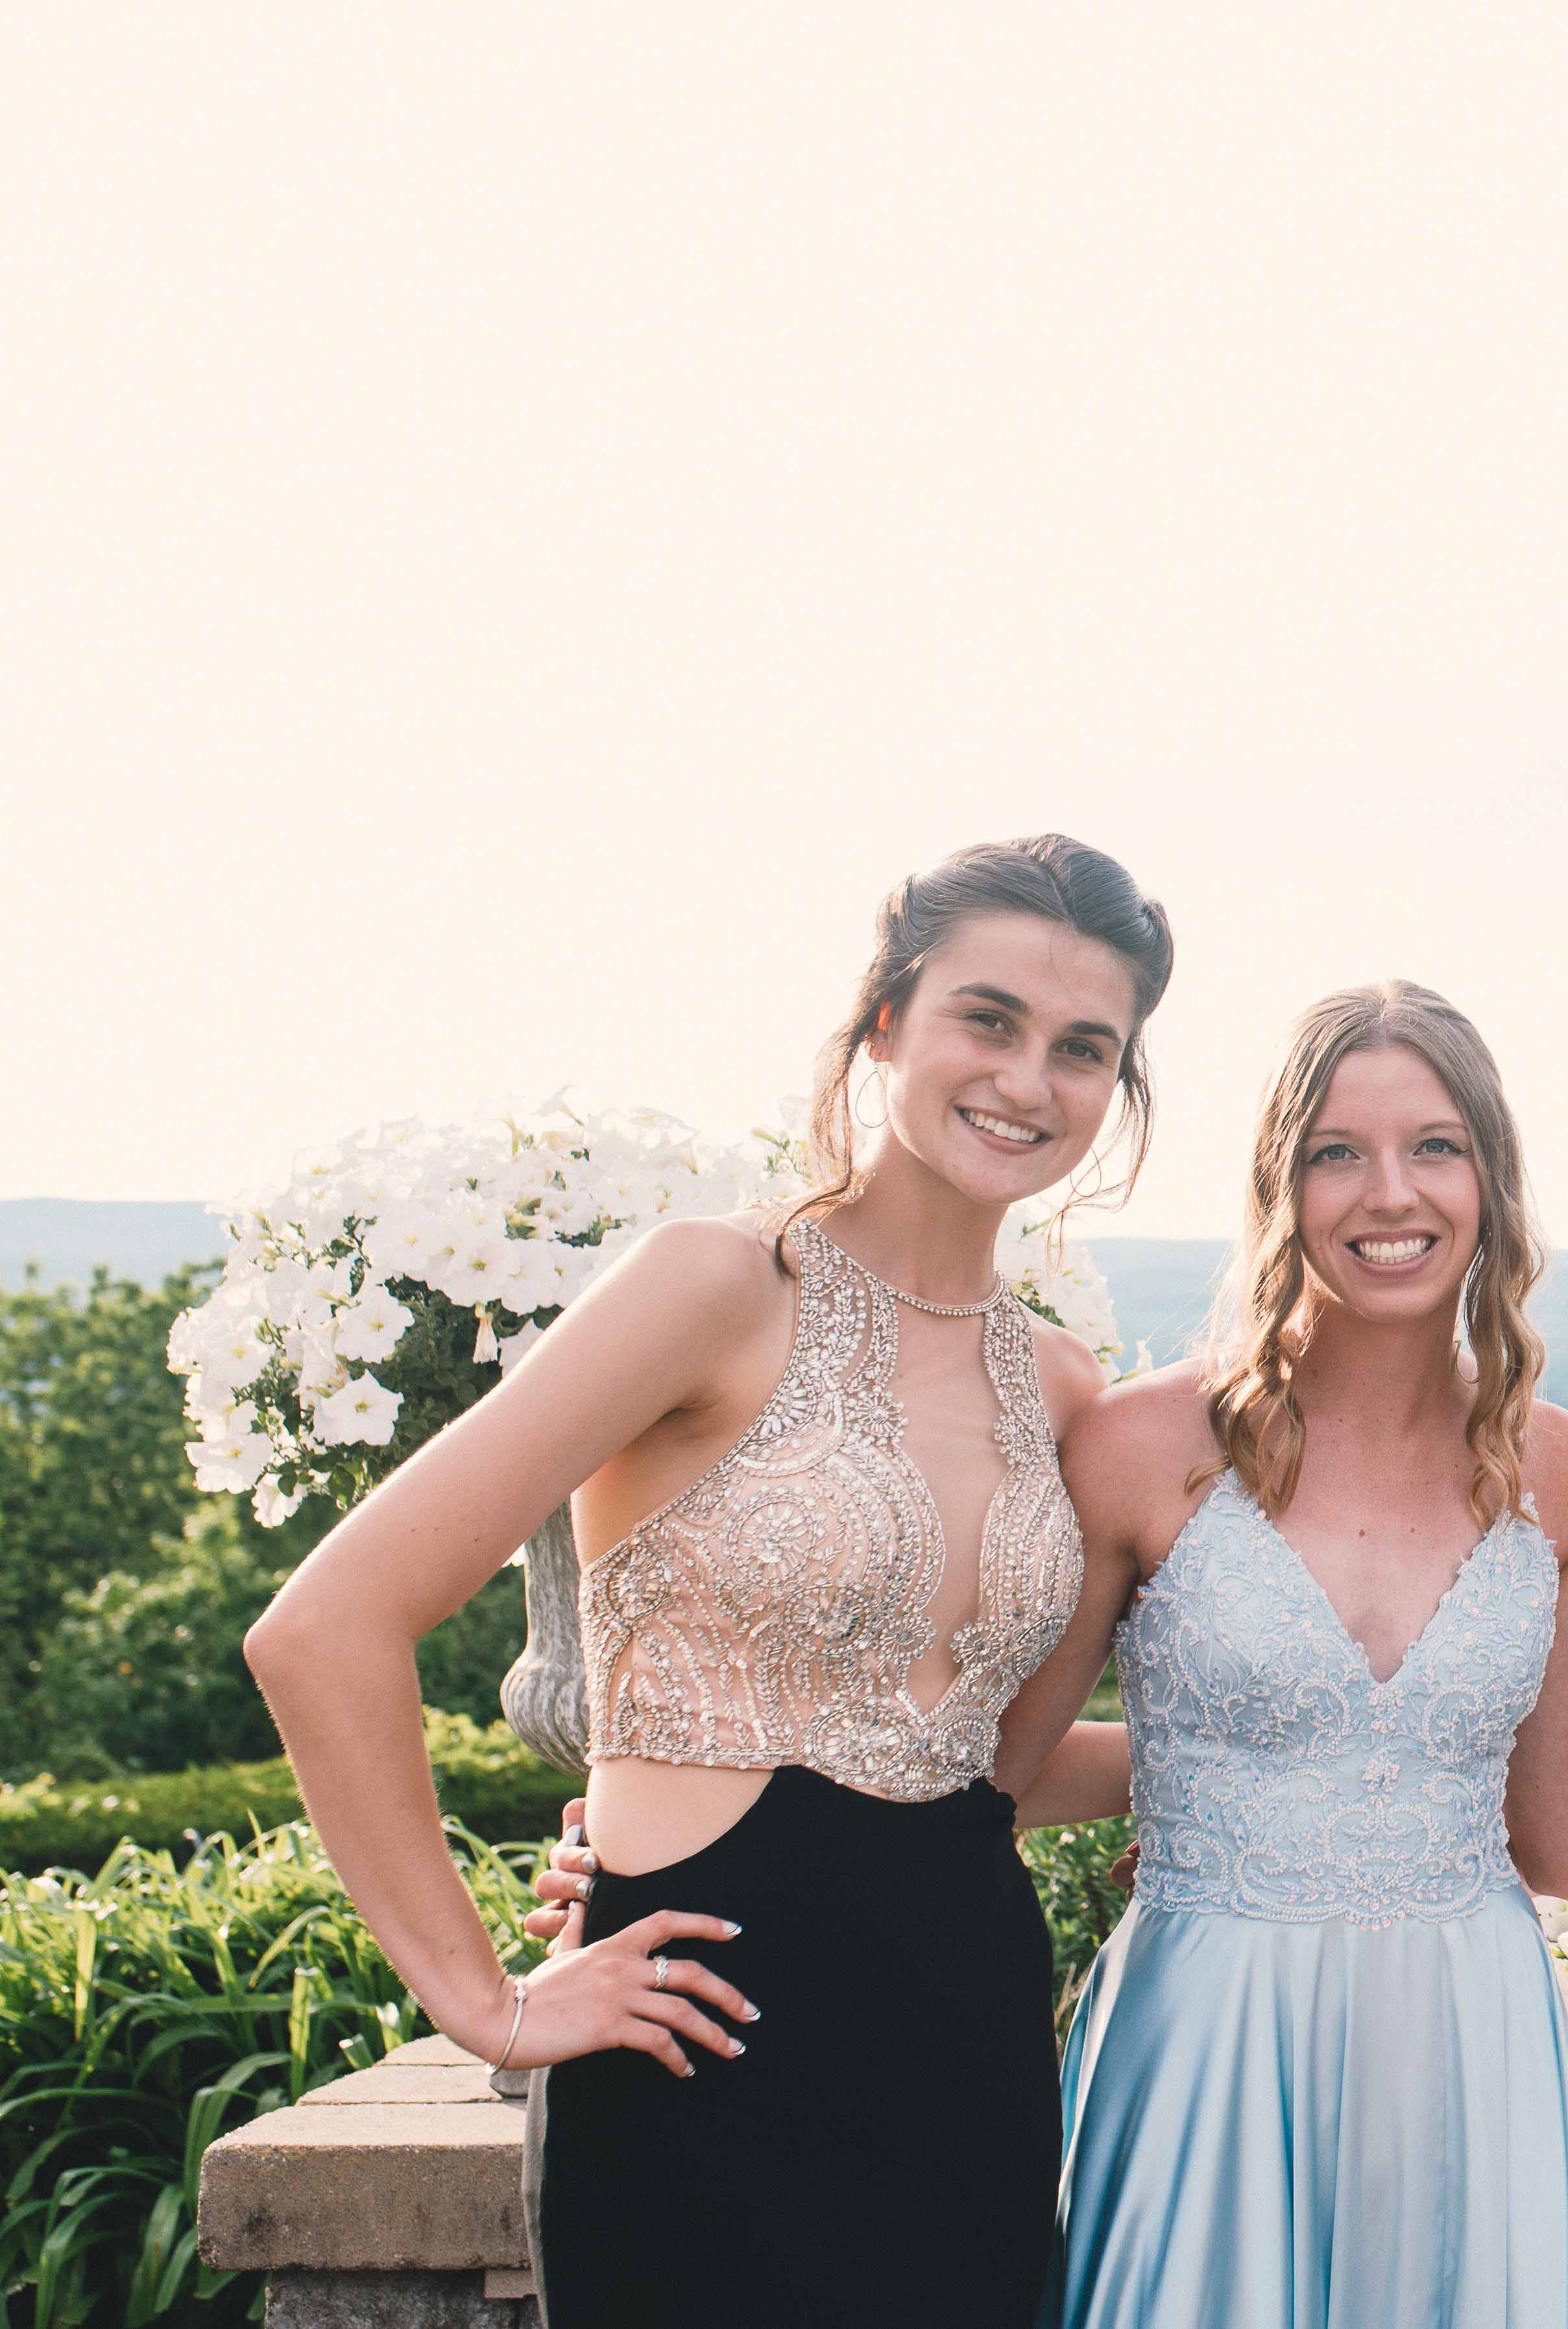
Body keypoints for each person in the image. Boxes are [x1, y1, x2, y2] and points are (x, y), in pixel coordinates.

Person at [248, 836, 1176, 2329]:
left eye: (1083, 1047)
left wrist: (1270, 1765)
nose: (1028, 1079)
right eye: (988, 1018)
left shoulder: (1061, 1385)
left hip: (970, 2045)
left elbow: (975, 1766)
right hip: (697, 2047)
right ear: (887, 1019)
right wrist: (483, 1999)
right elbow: (326, 1626)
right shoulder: (715, 1286)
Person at [1026, 982, 1568, 2329]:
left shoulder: (1550, 1465)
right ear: (1279, 1182)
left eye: (1435, 1146)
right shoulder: (1142, 1445)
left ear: (1490, 1179)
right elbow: (989, 1775)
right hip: (1208, 2044)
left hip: (1473, 2051)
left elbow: (1564, 1830)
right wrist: (669, 1831)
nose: (1390, 1193)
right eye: (1336, 1152)